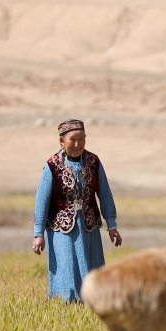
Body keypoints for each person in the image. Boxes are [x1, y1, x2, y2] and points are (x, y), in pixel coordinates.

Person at [32, 119, 122, 302]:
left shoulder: (94, 162)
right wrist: (38, 234)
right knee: (67, 267)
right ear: (61, 141)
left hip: (89, 227)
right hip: (60, 229)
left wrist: (112, 225)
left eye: (81, 139)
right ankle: (65, 304)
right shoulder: (52, 165)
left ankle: (92, 303)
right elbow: (41, 201)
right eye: (72, 139)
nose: (77, 144)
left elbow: (104, 194)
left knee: (91, 267)